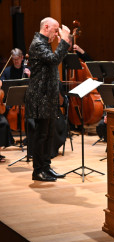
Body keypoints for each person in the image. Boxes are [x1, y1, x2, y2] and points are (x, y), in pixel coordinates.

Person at [25, 17, 70, 182]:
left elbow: (52, 63)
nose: (56, 33)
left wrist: (62, 43)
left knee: (49, 134)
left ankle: (46, 167)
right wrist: (64, 41)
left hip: (48, 97)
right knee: (41, 135)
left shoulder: (44, 43)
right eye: (55, 29)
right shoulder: (37, 43)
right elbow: (54, 60)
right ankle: (38, 170)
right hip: (40, 97)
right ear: (46, 27)